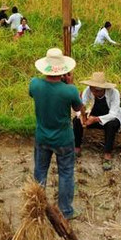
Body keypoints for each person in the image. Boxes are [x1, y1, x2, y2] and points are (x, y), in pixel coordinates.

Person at [30, 48, 84, 220]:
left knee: (40, 171)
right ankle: (65, 211)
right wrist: (69, 84)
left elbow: (34, 93)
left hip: (42, 136)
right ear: (63, 70)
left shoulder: (35, 84)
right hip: (64, 138)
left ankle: (36, 206)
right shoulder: (70, 90)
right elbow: (78, 108)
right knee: (66, 173)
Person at [73, 72, 121, 170]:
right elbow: (81, 106)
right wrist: (82, 117)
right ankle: (77, 147)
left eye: (97, 91)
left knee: (111, 125)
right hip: (94, 116)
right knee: (76, 121)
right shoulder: (88, 90)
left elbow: (113, 114)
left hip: (109, 119)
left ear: (103, 89)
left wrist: (95, 119)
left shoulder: (114, 93)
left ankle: (107, 154)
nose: (94, 93)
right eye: (93, 90)